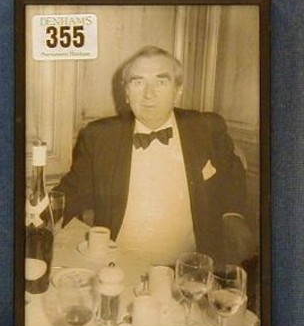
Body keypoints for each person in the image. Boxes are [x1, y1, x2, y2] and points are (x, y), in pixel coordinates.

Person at [57, 46, 258, 268]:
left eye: (161, 82)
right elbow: (71, 194)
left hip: (189, 268)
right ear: (126, 93)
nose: (149, 94)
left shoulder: (206, 128)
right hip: (117, 266)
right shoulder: (100, 136)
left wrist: (233, 214)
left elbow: (232, 174)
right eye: (138, 82)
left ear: (178, 90)